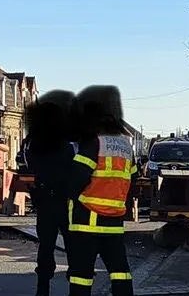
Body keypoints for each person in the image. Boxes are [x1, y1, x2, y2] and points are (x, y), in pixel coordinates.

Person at [65, 85, 138, 296]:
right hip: (114, 222)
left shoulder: (93, 143)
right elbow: (132, 178)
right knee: (120, 272)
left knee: (81, 274)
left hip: (87, 220)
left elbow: (76, 178)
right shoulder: (125, 146)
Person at [21, 90, 77, 296]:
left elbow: (26, 164)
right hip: (64, 202)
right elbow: (76, 168)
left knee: (46, 247)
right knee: (71, 246)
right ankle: (74, 287)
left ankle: (42, 289)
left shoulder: (34, 142)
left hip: (45, 201)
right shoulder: (68, 143)